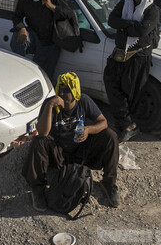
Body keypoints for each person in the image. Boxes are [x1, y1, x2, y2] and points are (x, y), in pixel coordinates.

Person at [21, 72, 121, 208]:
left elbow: (103, 122)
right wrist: (50, 106)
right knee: (39, 141)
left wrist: (88, 130)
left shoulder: (84, 101)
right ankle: (38, 189)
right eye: (60, 89)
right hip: (58, 153)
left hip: (81, 150)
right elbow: (43, 132)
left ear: (74, 92)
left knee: (110, 135)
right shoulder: (50, 104)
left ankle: (109, 183)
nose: (61, 93)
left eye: (66, 90)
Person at [103, 0, 160, 143]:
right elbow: (112, 20)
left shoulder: (152, 10)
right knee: (112, 84)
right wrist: (130, 24)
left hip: (138, 57)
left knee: (131, 91)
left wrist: (123, 26)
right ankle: (127, 124)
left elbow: (142, 31)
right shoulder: (125, 4)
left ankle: (128, 126)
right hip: (120, 53)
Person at [10, 0, 76, 79]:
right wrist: (21, 28)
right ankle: (19, 69)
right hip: (34, 34)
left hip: (49, 40)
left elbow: (68, 14)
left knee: (41, 74)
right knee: (16, 37)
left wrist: (51, 6)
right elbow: (17, 17)